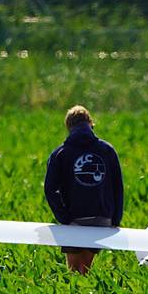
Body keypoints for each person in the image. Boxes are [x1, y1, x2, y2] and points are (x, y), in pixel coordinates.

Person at [44, 105, 124, 275]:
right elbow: (118, 187)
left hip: (74, 218)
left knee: (73, 272)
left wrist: (63, 217)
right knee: (85, 269)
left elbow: (50, 189)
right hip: (102, 218)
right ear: (90, 123)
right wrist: (115, 219)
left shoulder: (60, 153)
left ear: (68, 126)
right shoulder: (107, 150)